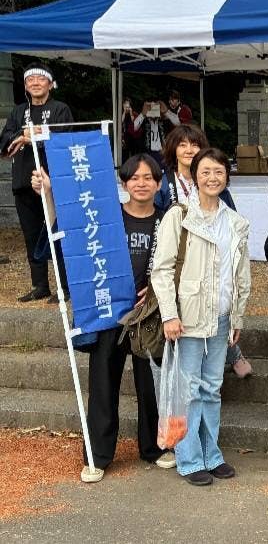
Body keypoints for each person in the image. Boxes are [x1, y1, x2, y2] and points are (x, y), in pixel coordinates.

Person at [31, 154, 176, 482]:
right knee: (102, 385)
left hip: (148, 316)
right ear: (123, 183)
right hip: (108, 312)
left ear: (159, 184)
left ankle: (154, 447)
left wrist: (158, 292)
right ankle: (97, 455)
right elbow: (65, 231)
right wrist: (49, 193)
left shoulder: (168, 221)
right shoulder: (108, 216)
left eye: (148, 178)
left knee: (151, 385)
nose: (141, 184)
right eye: (134, 178)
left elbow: (180, 265)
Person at [152, 147, 251, 486]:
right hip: (188, 319)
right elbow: (162, 270)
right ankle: (190, 458)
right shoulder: (179, 216)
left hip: (221, 318)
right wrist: (169, 315)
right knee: (189, 390)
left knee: (212, 388)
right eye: (205, 171)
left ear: (227, 177)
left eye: (219, 172)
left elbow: (241, 276)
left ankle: (212, 454)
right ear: (194, 176)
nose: (212, 178)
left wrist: (237, 318)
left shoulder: (235, 222)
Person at [155, 124, 250, 379]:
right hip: (181, 275)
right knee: (188, 381)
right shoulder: (166, 185)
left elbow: (236, 260)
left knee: (211, 381)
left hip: (215, 294)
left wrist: (237, 316)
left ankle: (233, 354)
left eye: (194, 144)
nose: (189, 149)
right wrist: (169, 313)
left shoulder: (226, 206)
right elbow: (162, 260)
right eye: (182, 144)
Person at [0, 62, 73, 303]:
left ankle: (65, 286)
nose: (35, 83)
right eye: (30, 80)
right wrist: (21, 135)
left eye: (40, 79)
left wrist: (35, 136)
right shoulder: (18, 112)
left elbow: (65, 138)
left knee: (58, 233)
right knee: (31, 235)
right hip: (23, 181)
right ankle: (40, 285)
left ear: (50, 84)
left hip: (51, 182)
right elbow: (5, 140)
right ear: (25, 86)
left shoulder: (60, 109)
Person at [132, 98, 173, 166]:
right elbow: (134, 128)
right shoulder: (144, 120)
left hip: (162, 153)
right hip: (147, 154)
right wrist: (142, 114)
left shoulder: (164, 120)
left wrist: (166, 112)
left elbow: (178, 122)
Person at [121, 97, 143, 162]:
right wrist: (124, 112)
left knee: (134, 154)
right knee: (125, 155)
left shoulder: (134, 113)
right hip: (124, 137)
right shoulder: (121, 113)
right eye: (125, 104)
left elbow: (134, 122)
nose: (127, 107)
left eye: (128, 105)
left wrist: (130, 113)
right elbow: (120, 122)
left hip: (134, 138)